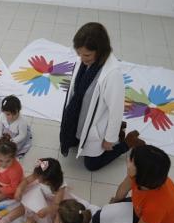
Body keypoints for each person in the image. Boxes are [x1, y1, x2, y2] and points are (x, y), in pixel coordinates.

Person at [59, 22, 145, 171]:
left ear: (100, 51)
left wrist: (109, 139)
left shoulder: (112, 75)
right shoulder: (84, 62)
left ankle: (126, 142)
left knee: (91, 165)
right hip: (80, 117)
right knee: (70, 142)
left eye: (87, 55)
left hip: (96, 127)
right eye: (79, 54)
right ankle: (114, 131)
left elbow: (116, 110)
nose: (82, 59)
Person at [0, 158, 67, 223]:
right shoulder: (41, 173)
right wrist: (20, 189)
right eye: (38, 178)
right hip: (38, 192)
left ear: (52, 180)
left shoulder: (60, 187)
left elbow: (56, 204)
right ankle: (4, 221)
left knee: (35, 217)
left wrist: (47, 210)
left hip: (50, 203)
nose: (38, 180)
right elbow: (26, 180)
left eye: (42, 180)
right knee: (23, 207)